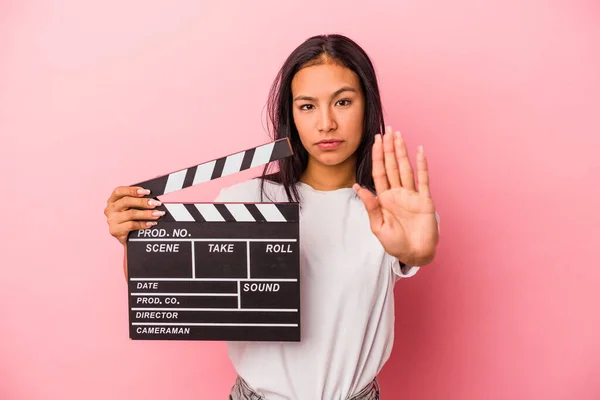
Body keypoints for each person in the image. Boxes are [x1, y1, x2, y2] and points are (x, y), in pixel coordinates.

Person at [104, 33, 440, 400]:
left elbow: (414, 248)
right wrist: (137, 240)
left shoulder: (392, 212)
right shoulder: (245, 201)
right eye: (307, 106)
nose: (326, 123)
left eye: (342, 101)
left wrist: (417, 252)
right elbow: (167, 289)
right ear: (290, 116)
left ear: (367, 105)